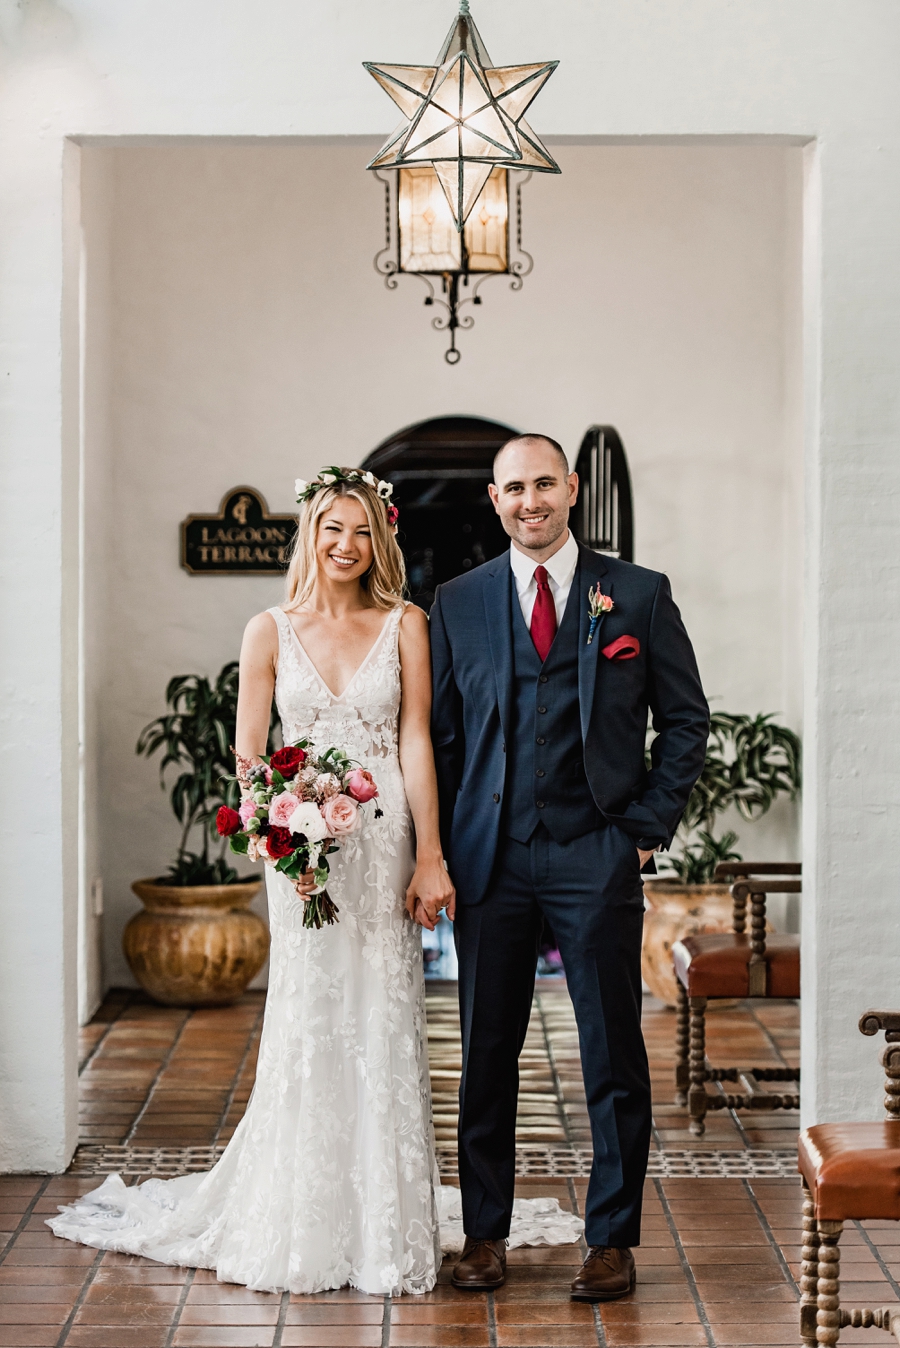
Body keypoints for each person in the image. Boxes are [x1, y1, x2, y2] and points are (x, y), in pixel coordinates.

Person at [48, 466, 582, 1295]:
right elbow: (249, 756)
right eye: (333, 528)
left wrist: (431, 855)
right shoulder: (267, 629)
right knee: (310, 1014)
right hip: (300, 851)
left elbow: (416, 743)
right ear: (310, 534)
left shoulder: (407, 623)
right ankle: (302, 1213)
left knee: (383, 1009)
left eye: (363, 530)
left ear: (382, 538)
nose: (347, 545)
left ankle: (383, 1218)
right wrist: (278, 834)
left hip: (385, 843)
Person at [428, 435, 709, 1301]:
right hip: (492, 854)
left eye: (544, 483)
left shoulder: (636, 594)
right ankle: (484, 1234)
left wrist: (644, 830)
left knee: (612, 1052)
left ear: (572, 488)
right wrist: (436, 850)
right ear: (494, 497)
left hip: (597, 849)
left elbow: (687, 721)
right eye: (514, 488)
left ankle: (611, 1240)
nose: (530, 500)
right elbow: (438, 739)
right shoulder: (457, 601)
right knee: (484, 1054)